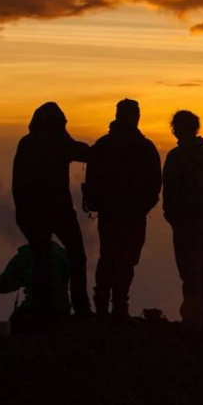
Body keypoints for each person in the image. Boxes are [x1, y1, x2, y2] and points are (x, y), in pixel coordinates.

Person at [12, 102, 91, 317]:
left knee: (42, 260)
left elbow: (17, 186)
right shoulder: (57, 142)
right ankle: (80, 307)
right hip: (58, 211)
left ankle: (41, 308)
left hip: (34, 213)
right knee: (75, 255)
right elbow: (81, 151)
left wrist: (22, 215)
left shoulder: (27, 143)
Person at [85, 98, 162, 319]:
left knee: (108, 255)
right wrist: (144, 206)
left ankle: (103, 305)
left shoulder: (103, 145)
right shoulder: (145, 148)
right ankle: (119, 305)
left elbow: (92, 180)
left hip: (110, 213)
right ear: (136, 117)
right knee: (126, 259)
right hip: (133, 215)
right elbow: (155, 182)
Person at [162, 110, 203, 335]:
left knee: (191, 271)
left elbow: (170, 194)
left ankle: (193, 322)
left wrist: (173, 218)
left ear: (176, 129)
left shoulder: (176, 157)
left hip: (189, 222)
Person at [0, 241, 71, 324]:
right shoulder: (61, 253)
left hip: (33, 308)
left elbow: (0, 286)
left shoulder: (23, 255)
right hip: (61, 308)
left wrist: (18, 283)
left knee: (14, 322)